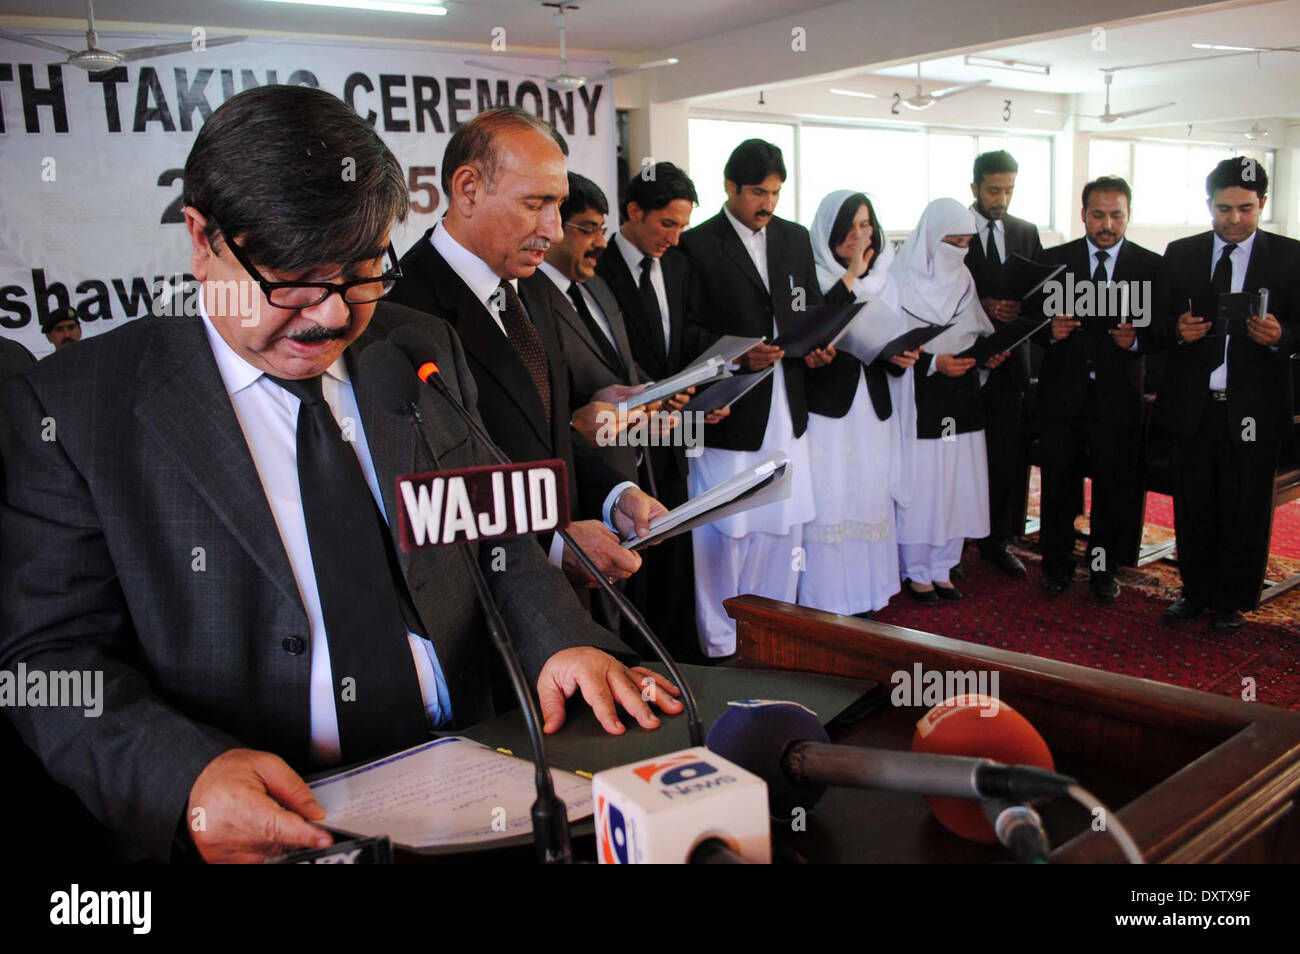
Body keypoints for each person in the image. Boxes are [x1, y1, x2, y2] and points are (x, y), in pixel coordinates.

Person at [0, 86, 680, 864]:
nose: (328, 316)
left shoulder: (416, 345)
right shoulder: (79, 408)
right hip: (268, 826)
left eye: (359, 273)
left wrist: (558, 641)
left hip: (476, 782)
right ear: (200, 238)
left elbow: (491, 536)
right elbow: (48, 659)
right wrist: (183, 779)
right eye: (291, 279)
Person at [386, 107, 670, 592]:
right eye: (535, 204)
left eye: (557, 205)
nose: (555, 230)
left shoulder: (533, 287)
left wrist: (615, 494)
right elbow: (427, 496)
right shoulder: (402, 312)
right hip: (485, 607)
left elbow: (550, 431)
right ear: (469, 189)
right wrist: (551, 547)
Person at [679, 139, 820, 657]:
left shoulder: (795, 239)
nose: (769, 203)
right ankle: (719, 643)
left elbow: (807, 307)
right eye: (759, 192)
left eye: (777, 193)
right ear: (730, 187)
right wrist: (736, 357)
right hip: (731, 406)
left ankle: (773, 631)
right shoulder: (696, 245)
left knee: (783, 524)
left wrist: (816, 345)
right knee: (726, 526)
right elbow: (684, 332)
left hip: (787, 401)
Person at [1154, 157, 1300, 633]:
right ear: (1208, 205)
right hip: (1194, 405)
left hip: (1254, 407)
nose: (1233, 219)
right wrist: (1177, 330)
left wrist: (1281, 336)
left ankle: (1232, 601)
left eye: (1244, 208)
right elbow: (1155, 323)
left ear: (1263, 205)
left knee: (1245, 507)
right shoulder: (1180, 253)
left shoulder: (1290, 256)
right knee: (1194, 504)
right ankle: (1194, 592)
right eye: (1223, 208)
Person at [596, 161, 714, 658]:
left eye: (683, 225)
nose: (675, 236)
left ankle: (678, 652)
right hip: (622, 431)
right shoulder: (597, 267)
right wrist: (652, 389)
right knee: (637, 542)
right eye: (667, 223)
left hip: (675, 425)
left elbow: (682, 340)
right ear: (634, 211)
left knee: (676, 538)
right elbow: (604, 353)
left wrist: (699, 390)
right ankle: (638, 656)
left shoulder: (681, 265)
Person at [1035, 176, 1162, 602]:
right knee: (1058, 485)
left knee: (1113, 489)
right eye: (1098, 214)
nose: (1107, 224)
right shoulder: (1054, 261)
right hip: (1063, 396)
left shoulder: (1151, 266)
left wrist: (1137, 339)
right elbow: (1032, 326)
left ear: (1128, 215)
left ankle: (1103, 571)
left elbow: (1164, 331)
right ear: (1083, 214)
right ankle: (1055, 566)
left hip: (1119, 398)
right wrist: (1051, 331)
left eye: (1116, 215)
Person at [799, 190, 918, 617]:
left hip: (873, 404)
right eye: (849, 227)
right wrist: (850, 274)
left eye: (866, 225)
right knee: (832, 494)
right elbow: (815, 330)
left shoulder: (887, 279)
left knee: (869, 491)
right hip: (830, 409)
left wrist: (902, 356)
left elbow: (893, 336)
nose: (859, 235)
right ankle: (828, 597)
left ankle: (868, 593)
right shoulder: (812, 275)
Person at [893, 198, 1008, 602]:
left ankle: (943, 565)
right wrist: (933, 362)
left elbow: (974, 332)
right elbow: (888, 346)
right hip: (920, 394)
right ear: (930, 239)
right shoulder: (900, 281)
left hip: (961, 394)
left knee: (956, 482)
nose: (958, 252)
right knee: (925, 484)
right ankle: (916, 569)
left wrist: (987, 357)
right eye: (951, 242)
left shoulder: (964, 279)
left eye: (965, 243)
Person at [965, 150, 1043, 578]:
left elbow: (1040, 295)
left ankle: (998, 539)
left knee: (1006, 455)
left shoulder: (1025, 232)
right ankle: (953, 543)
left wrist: (1018, 309)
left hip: (1012, 362)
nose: (1001, 198)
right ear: (974, 187)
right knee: (960, 457)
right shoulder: (953, 231)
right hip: (964, 361)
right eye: (994, 189)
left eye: (1009, 190)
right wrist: (984, 305)